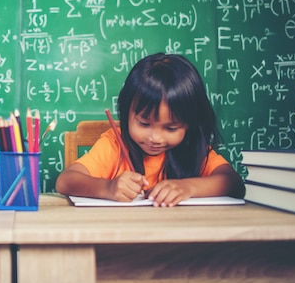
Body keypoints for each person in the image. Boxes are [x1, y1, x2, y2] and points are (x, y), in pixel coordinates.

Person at [55, 53, 245, 207]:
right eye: (144, 124)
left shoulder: (192, 146)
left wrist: (187, 188)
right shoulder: (114, 143)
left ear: (190, 123)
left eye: (171, 128)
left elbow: (233, 183)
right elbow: (65, 181)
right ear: (126, 111)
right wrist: (108, 188)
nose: (155, 138)